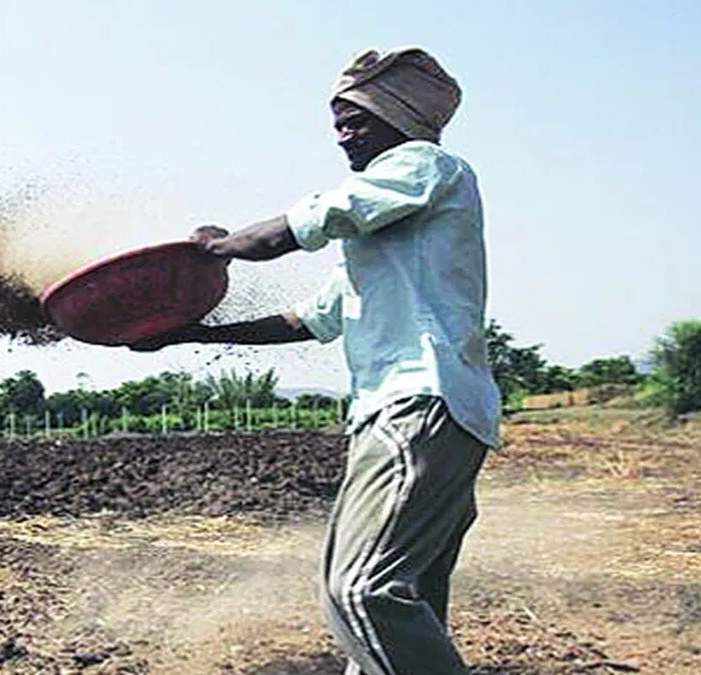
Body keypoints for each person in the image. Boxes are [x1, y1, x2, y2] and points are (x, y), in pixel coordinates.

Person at [133, 46, 501, 674]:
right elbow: (310, 319)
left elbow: (310, 221)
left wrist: (216, 249)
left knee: (362, 593)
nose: (342, 136)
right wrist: (190, 333)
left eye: (355, 120)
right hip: (419, 413)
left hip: (418, 402)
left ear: (399, 118)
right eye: (336, 123)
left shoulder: (425, 166)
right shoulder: (385, 240)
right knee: (403, 600)